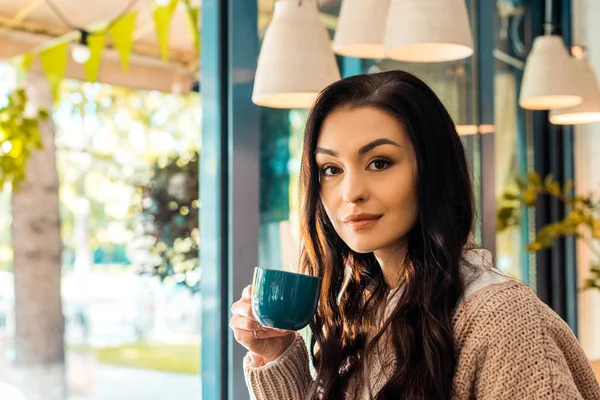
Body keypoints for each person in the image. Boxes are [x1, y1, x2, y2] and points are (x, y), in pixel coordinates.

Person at [229, 71, 600, 399]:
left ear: (433, 172)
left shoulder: (501, 319)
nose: (350, 192)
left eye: (379, 163)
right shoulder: (367, 304)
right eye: (331, 168)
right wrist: (275, 355)